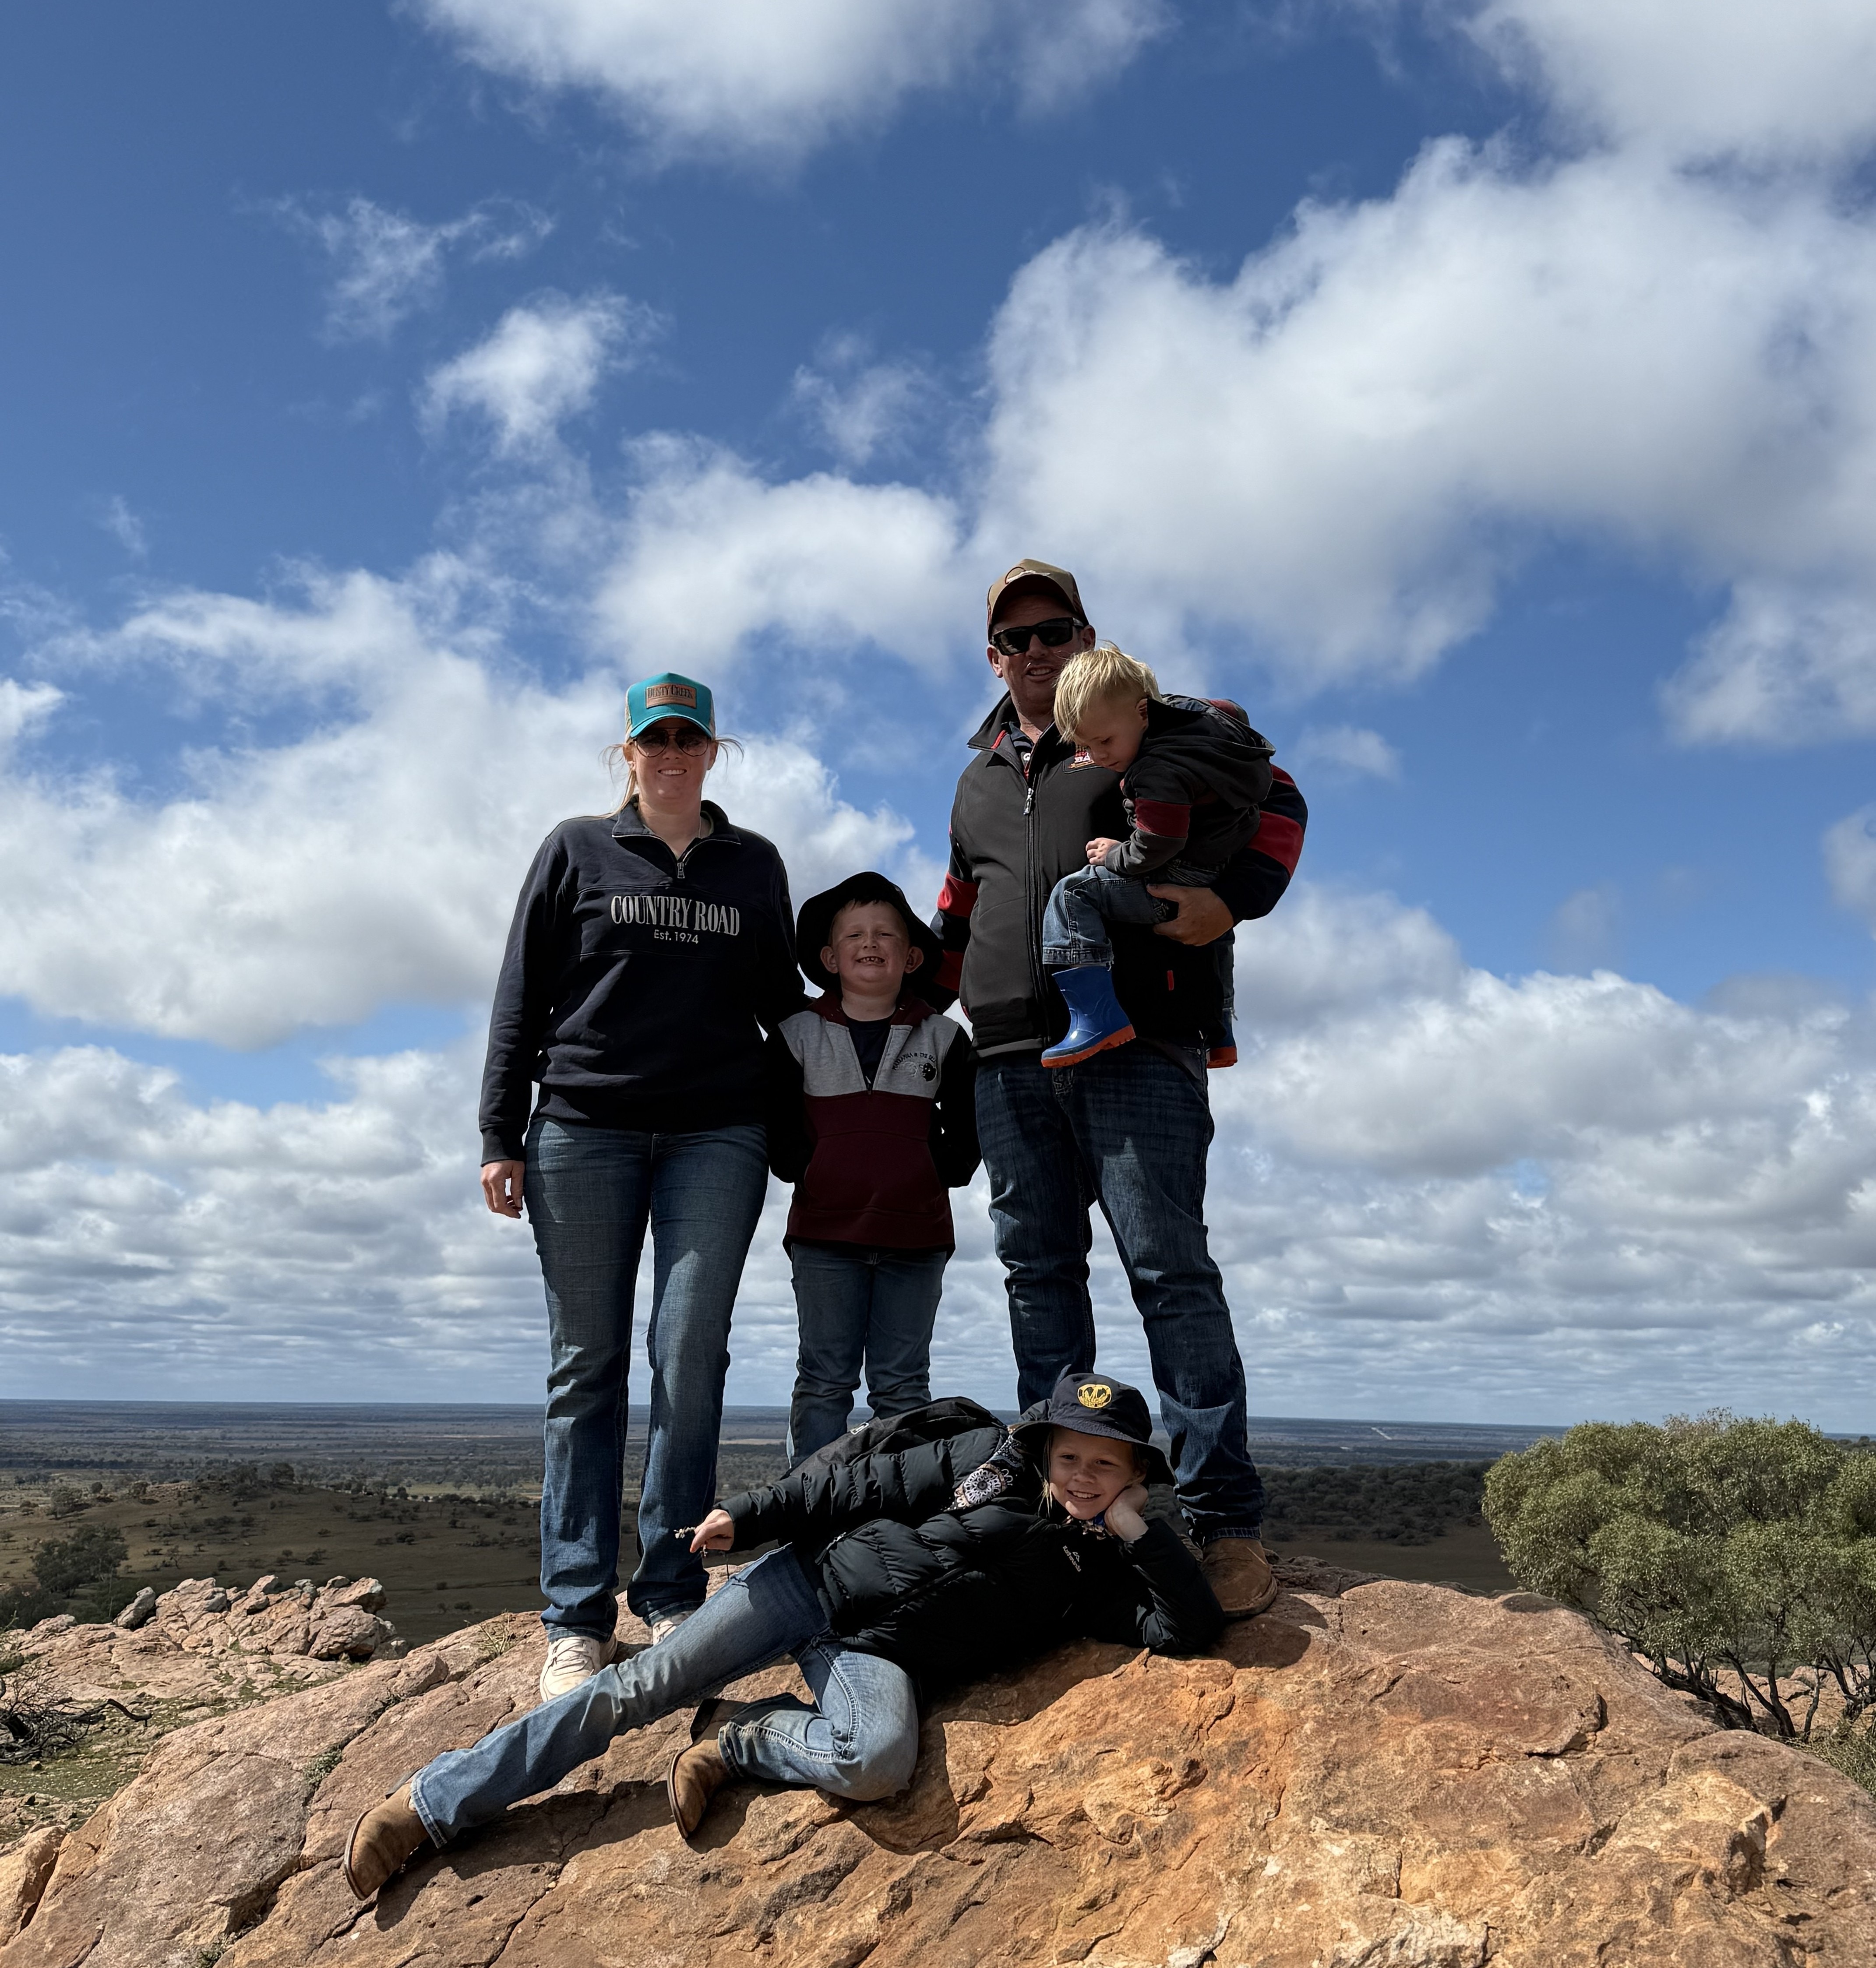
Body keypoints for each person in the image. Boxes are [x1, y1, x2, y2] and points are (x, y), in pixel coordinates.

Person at [342, 1370, 1223, 1899]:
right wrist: (750, 1515)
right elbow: (856, 1488)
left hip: (876, 1657)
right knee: (634, 1690)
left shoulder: (1102, 1571)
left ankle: (747, 1738)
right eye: (1068, 1455)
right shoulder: (984, 1460)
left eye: (1103, 1464)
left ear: (1135, 1474)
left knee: (876, 1763)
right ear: (1042, 1447)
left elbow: (1186, 1628)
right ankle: (430, 1804)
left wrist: (1142, 1535)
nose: (1080, 1475)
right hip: (807, 1584)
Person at [930, 560, 1308, 1621]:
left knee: (1169, 1273)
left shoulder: (1162, 724)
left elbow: (1282, 799)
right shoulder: (975, 778)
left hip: (1141, 1040)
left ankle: (1225, 1520)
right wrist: (879, 987)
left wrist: (1231, 901)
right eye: (1017, 639)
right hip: (1007, 1053)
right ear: (993, 658)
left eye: (1056, 632)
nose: (1037, 652)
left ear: (1087, 636)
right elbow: (961, 908)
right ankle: (1068, 1510)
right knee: (1038, 1277)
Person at [478, 671, 805, 1702]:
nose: (671, 753)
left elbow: (782, 1006)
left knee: (689, 1353)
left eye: (689, 738)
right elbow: (521, 993)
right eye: (653, 739)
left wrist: (835, 1100)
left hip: (719, 1131)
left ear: (715, 751)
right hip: (584, 1130)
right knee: (586, 1368)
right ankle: (575, 1617)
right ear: (627, 753)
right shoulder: (574, 850)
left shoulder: (753, 864)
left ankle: (669, 1592)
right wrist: (500, 1131)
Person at [765, 873, 980, 1465]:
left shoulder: (945, 1037)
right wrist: (808, 1169)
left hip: (917, 1238)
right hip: (824, 1237)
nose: (871, 942)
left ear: (912, 956)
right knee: (824, 1382)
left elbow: (969, 1129)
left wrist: (936, 1169)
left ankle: (897, 1519)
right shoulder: (795, 1034)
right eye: (855, 934)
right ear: (829, 957)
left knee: (903, 1386)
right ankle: (808, 1516)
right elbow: (779, 1130)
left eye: (887, 933)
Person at [1037, 643, 1274, 1068]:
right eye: (1086, 746)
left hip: (1177, 873)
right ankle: (1220, 1030)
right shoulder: (1202, 737)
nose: (1099, 756)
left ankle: (1096, 1017)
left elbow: (1158, 842)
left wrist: (1114, 855)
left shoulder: (1156, 769)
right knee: (1219, 931)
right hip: (1215, 869)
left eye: (1105, 740)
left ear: (1144, 713)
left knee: (1072, 897)